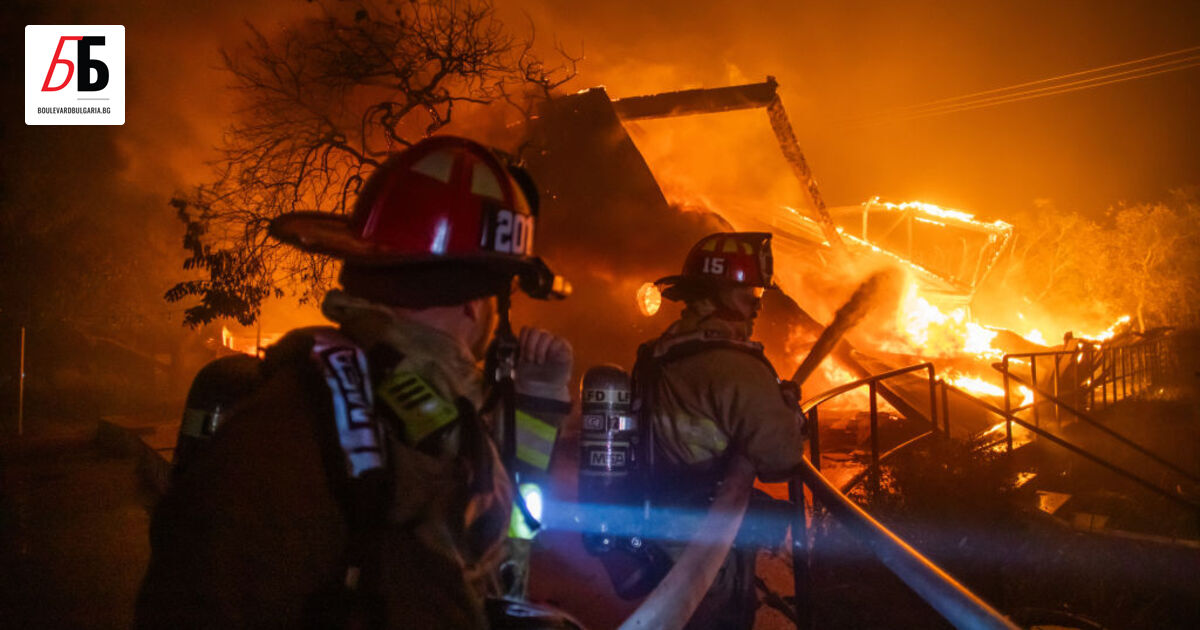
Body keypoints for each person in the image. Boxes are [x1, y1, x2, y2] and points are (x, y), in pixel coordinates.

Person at [136, 136, 577, 629]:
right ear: (478, 304)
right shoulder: (308, 428)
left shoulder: (411, 410)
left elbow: (496, 554)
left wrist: (538, 400)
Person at [634, 231, 805, 630]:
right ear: (721, 291)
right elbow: (782, 457)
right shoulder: (732, 364)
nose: (757, 305)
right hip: (708, 540)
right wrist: (788, 416)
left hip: (663, 526)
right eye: (750, 293)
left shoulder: (666, 348)